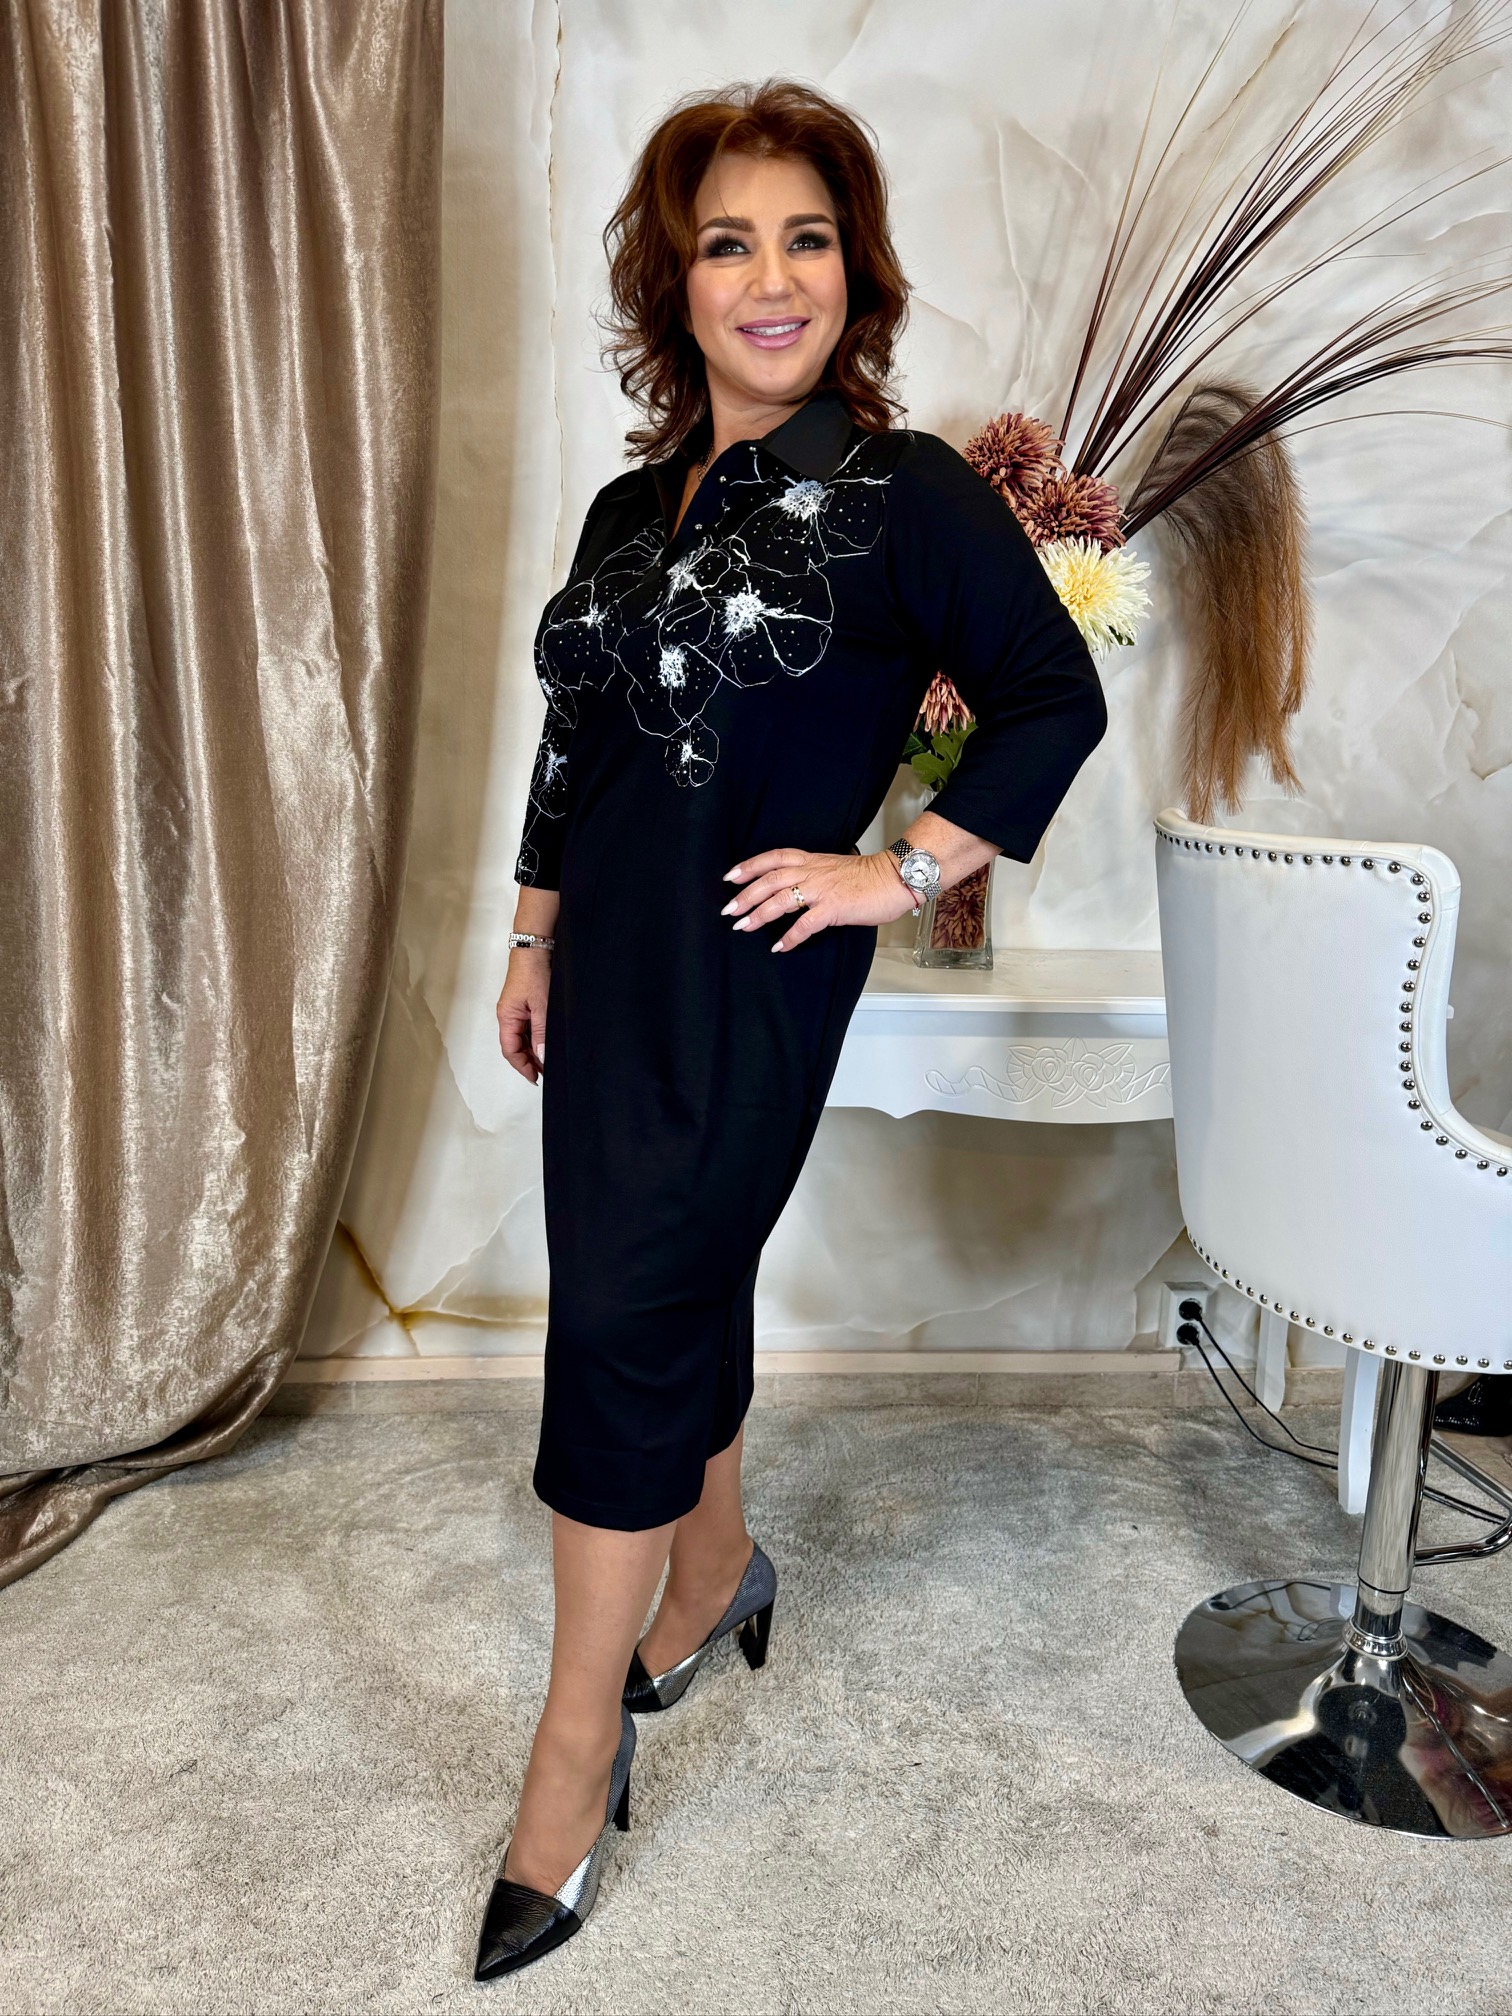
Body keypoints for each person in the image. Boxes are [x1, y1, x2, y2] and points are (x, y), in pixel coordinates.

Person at [478, 77, 1106, 1980]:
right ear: (674, 284)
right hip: (605, 971)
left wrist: (896, 873)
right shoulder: (628, 504)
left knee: (622, 1319)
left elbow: (1052, 695)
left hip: (749, 974)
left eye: (807, 239)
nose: (772, 279)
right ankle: (717, 1567)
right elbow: (579, 738)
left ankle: (570, 1755)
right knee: (665, 1281)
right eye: (728, 243)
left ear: (857, 271)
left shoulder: (906, 494)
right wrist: (532, 934)